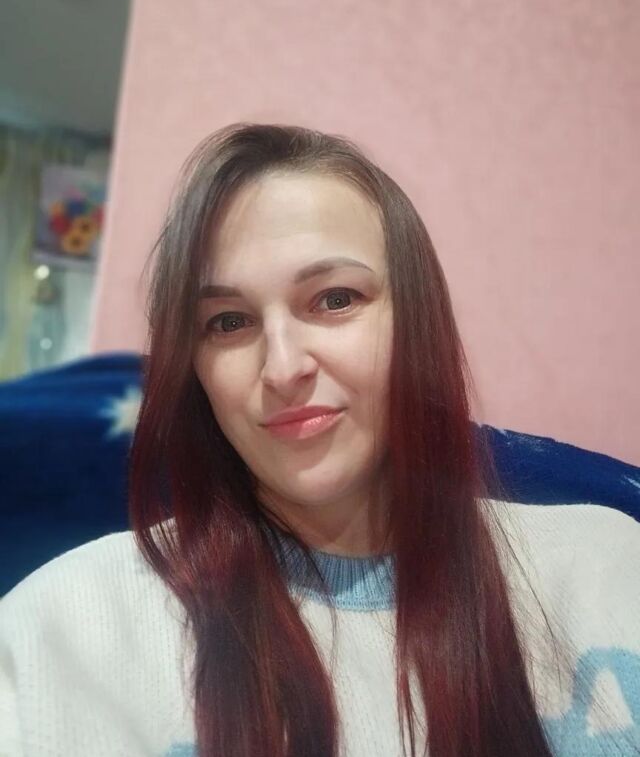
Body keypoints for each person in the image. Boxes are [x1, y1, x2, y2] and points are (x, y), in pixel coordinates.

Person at [1, 123, 639, 757]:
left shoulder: (606, 566)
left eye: (335, 300)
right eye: (229, 321)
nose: (283, 368)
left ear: (418, 319)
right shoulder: (61, 632)